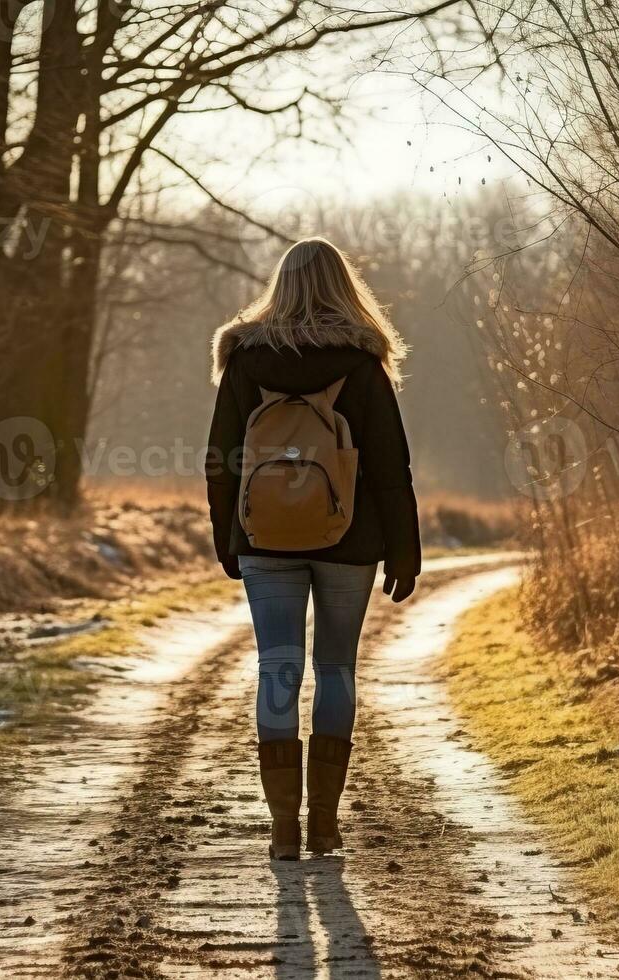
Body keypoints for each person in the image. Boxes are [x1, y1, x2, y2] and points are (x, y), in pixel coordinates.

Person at [205, 236, 421, 861]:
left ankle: (282, 830)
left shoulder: (245, 362)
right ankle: (324, 825)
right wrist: (404, 552)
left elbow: (220, 460)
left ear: (281, 285)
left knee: (276, 667)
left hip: (263, 538)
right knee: (336, 668)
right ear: (343, 287)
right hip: (350, 540)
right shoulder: (361, 365)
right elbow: (389, 467)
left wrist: (229, 536)